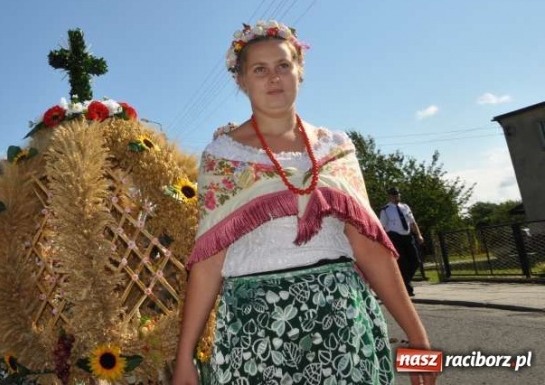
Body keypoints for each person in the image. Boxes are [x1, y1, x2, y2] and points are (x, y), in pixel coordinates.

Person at [173, 21, 435, 385]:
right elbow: (209, 259)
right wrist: (184, 357)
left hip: (342, 324)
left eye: (283, 65)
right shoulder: (223, 157)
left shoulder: (336, 148)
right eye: (259, 69)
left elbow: (371, 249)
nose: (274, 78)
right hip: (257, 328)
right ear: (242, 80)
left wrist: (418, 339)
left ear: (300, 71)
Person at [379, 187, 424, 297]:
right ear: (389, 196)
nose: (396, 197)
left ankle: (403, 281)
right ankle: (408, 288)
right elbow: (382, 227)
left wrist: (418, 235)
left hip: (407, 236)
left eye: (397, 195)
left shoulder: (405, 207)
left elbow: (412, 223)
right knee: (403, 263)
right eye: (393, 195)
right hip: (395, 237)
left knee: (416, 261)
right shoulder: (385, 210)